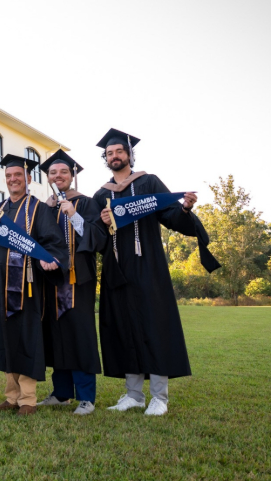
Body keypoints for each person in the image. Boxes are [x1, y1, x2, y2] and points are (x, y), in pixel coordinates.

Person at [90, 129, 212, 416]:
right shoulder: (101, 194)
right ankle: (133, 395)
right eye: (110, 153)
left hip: (148, 266)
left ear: (130, 154)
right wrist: (103, 221)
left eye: (119, 151)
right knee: (124, 328)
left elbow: (169, 215)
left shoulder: (148, 182)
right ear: (105, 159)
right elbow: (96, 237)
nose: (115, 156)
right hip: (117, 269)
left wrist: (183, 208)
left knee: (154, 326)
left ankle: (159, 397)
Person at [0, 154, 68, 416]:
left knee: (26, 338)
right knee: (6, 339)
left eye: (18, 175)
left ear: (28, 178)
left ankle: (28, 399)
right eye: (9, 176)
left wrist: (52, 259)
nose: (13, 179)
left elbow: (53, 242)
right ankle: (11, 396)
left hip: (26, 287)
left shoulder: (38, 208)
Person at [37, 149, 103, 415]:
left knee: (80, 335)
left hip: (79, 280)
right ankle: (61, 392)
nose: (58, 175)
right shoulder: (43, 208)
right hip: (50, 281)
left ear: (72, 175)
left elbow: (98, 238)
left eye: (63, 171)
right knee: (55, 335)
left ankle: (86, 396)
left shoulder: (86, 203)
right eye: (53, 172)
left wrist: (74, 214)